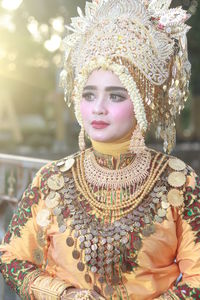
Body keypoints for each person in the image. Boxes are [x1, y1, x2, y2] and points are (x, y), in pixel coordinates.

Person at [0, 0, 200, 299]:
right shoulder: (52, 180)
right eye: (89, 94)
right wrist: (64, 295)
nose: (98, 109)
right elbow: (12, 259)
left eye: (116, 96)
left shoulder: (177, 180)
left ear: (142, 103)